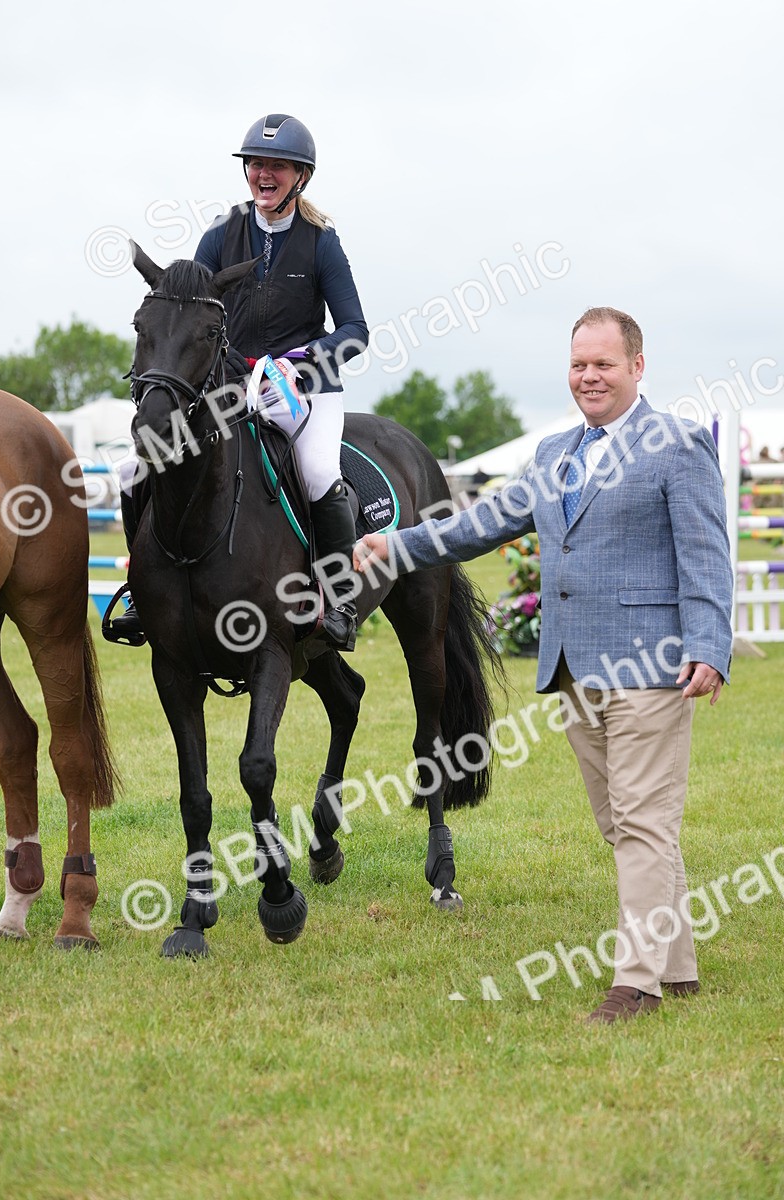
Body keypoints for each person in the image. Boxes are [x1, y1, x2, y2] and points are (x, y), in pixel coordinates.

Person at [354, 307, 734, 1025]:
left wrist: (708, 648)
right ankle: (677, 967)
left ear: (637, 367)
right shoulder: (555, 451)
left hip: (652, 667)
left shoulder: (676, 445)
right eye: (579, 364)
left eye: (604, 364)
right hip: (574, 667)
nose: (589, 376)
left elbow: (707, 555)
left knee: (644, 821)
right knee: (623, 825)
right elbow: (481, 525)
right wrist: (397, 544)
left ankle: (637, 983)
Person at [113, 113, 368, 651]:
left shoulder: (321, 243)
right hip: (230, 388)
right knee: (135, 463)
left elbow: (355, 332)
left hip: (304, 389)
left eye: (278, 165)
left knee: (320, 469)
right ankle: (141, 590)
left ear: (301, 176)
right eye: (257, 164)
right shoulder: (220, 237)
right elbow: (186, 309)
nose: (264, 173)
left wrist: (299, 362)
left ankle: (337, 596)